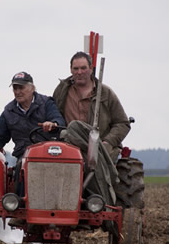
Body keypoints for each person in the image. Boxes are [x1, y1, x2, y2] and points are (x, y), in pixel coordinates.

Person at [52, 51, 131, 205]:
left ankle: (103, 202)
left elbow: (123, 123)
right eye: (76, 69)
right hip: (69, 146)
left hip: (100, 146)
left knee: (92, 162)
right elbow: (53, 114)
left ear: (91, 69)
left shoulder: (106, 94)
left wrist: (107, 142)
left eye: (83, 68)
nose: (79, 72)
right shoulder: (62, 91)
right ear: (70, 69)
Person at [0, 71, 65, 167]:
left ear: (32, 88)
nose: (18, 92)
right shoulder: (9, 111)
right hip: (23, 156)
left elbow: (58, 119)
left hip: (48, 153)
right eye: (15, 88)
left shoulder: (47, 103)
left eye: (21, 88)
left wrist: (52, 123)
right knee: (20, 168)